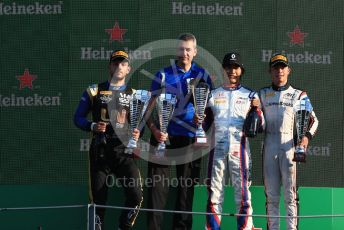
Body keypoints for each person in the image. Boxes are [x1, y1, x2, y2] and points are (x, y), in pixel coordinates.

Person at [146, 33, 213, 230]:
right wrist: (155, 130)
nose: (184, 53)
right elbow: (147, 109)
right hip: (162, 138)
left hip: (191, 138)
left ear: (195, 52)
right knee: (157, 190)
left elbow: (211, 109)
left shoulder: (203, 75)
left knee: (186, 191)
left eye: (188, 49)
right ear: (177, 50)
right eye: (181, 49)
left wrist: (202, 121)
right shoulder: (163, 74)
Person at [74, 50, 143, 230]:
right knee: (98, 200)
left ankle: (123, 227)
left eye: (123, 64)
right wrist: (92, 126)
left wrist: (137, 134)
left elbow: (139, 125)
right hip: (100, 151)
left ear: (128, 69)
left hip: (124, 152)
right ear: (109, 67)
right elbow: (78, 118)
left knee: (136, 195)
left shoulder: (135, 94)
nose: (119, 67)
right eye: (115, 63)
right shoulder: (94, 90)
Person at [202, 53, 264, 230]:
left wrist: (257, 111)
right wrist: (198, 119)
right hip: (217, 151)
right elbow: (203, 124)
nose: (232, 71)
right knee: (214, 194)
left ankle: (245, 228)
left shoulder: (251, 95)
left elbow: (260, 127)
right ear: (223, 70)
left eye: (236, 67)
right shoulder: (212, 95)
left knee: (243, 194)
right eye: (229, 67)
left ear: (241, 70)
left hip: (240, 150)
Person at [259, 53, 319, 230]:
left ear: (288, 70)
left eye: (282, 67)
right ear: (270, 71)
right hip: (269, 146)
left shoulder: (299, 95)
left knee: (290, 195)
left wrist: (306, 138)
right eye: (276, 67)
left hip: (289, 148)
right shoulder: (262, 94)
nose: (279, 71)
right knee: (271, 196)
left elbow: (314, 120)